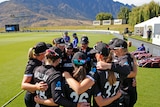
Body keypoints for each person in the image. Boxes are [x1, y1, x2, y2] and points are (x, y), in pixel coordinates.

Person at [108, 38, 138, 107]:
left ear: (120, 50)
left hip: (125, 93)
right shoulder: (127, 57)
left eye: (115, 49)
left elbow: (130, 73)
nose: (114, 51)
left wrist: (110, 67)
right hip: (128, 92)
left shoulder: (124, 59)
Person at [21, 42, 48, 107]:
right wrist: (36, 87)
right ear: (42, 54)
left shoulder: (41, 61)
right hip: (32, 99)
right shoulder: (32, 65)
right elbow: (23, 85)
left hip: (39, 96)